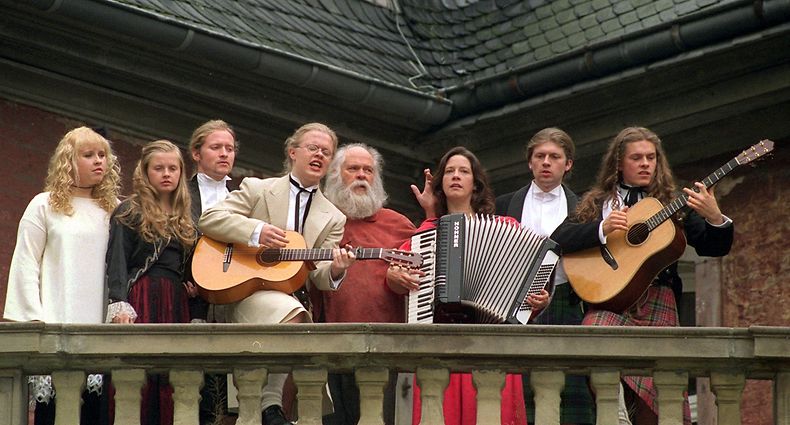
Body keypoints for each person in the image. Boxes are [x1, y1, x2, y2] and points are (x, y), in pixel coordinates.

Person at [551, 126, 734, 425]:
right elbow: (560, 239)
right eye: (637, 158)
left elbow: (714, 247)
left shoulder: (674, 204)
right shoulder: (598, 203)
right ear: (619, 164)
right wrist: (601, 228)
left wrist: (715, 216)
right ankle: (616, 413)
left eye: (651, 157)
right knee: (591, 330)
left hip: (657, 298)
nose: (646, 163)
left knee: (658, 392)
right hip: (612, 302)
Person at [198, 122, 356, 425]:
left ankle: (266, 404)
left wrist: (336, 268)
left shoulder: (334, 217)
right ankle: (270, 403)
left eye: (326, 152)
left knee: (294, 311)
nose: (319, 155)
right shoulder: (258, 188)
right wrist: (256, 231)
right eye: (313, 148)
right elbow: (210, 219)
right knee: (295, 315)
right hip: (243, 289)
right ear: (293, 151)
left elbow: (319, 276)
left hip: (290, 293)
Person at [387, 146, 550, 425]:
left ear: (476, 184)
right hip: (441, 343)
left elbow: (528, 288)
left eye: (464, 171)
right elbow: (397, 276)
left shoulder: (506, 227)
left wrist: (538, 300)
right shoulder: (426, 233)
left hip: (493, 342)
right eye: (449, 171)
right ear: (440, 184)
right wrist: (394, 277)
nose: (456, 176)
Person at [4, 126, 120, 425]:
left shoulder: (115, 210)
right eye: (88, 155)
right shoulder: (44, 205)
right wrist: (31, 318)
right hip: (57, 320)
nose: (99, 161)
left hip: (101, 327)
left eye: (103, 155)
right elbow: (26, 260)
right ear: (69, 161)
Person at [495, 128, 595, 425]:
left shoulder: (587, 208)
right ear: (530, 162)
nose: (546, 162)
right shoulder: (504, 204)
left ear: (569, 164)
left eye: (554, 157)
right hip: (511, 304)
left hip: (565, 302)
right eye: (540, 156)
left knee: (570, 393)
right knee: (520, 395)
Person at [318, 143, 416, 425]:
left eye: (368, 170)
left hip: (383, 347)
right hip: (327, 345)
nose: (362, 175)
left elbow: (425, 275)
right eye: (353, 169)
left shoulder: (398, 224)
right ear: (336, 175)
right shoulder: (320, 220)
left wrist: (399, 279)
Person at [105, 140, 197, 425]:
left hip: (176, 301)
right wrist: (119, 304)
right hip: (143, 295)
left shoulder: (187, 218)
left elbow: (188, 265)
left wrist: (190, 283)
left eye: (173, 168)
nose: (166, 174)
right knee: (139, 372)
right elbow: (117, 260)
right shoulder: (129, 211)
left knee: (171, 374)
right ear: (145, 173)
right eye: (158, 168)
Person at [183, 119, 238, 425]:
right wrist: (184, 277)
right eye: (216, 147)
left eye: (229, 148)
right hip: (190, 297)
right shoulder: (181, 194)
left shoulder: (244, 194)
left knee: (228, 390)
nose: (224, 154)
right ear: (196, 152)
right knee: (194, 385)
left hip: (232, 295)